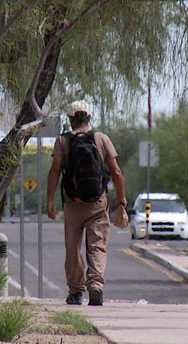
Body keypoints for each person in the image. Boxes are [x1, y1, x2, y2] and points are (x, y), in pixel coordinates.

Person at [46, 100, 127, 306]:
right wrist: (120, 198)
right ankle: (95, 285)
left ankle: (75, 292)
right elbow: (116, 171)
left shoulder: (62, 141)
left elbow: (55, 170)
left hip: (73, 204)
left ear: (71, 119)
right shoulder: (101, 139)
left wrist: (49, 201)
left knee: (72, 248)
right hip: (98, 203)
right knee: (97, 247)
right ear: (89, 117)